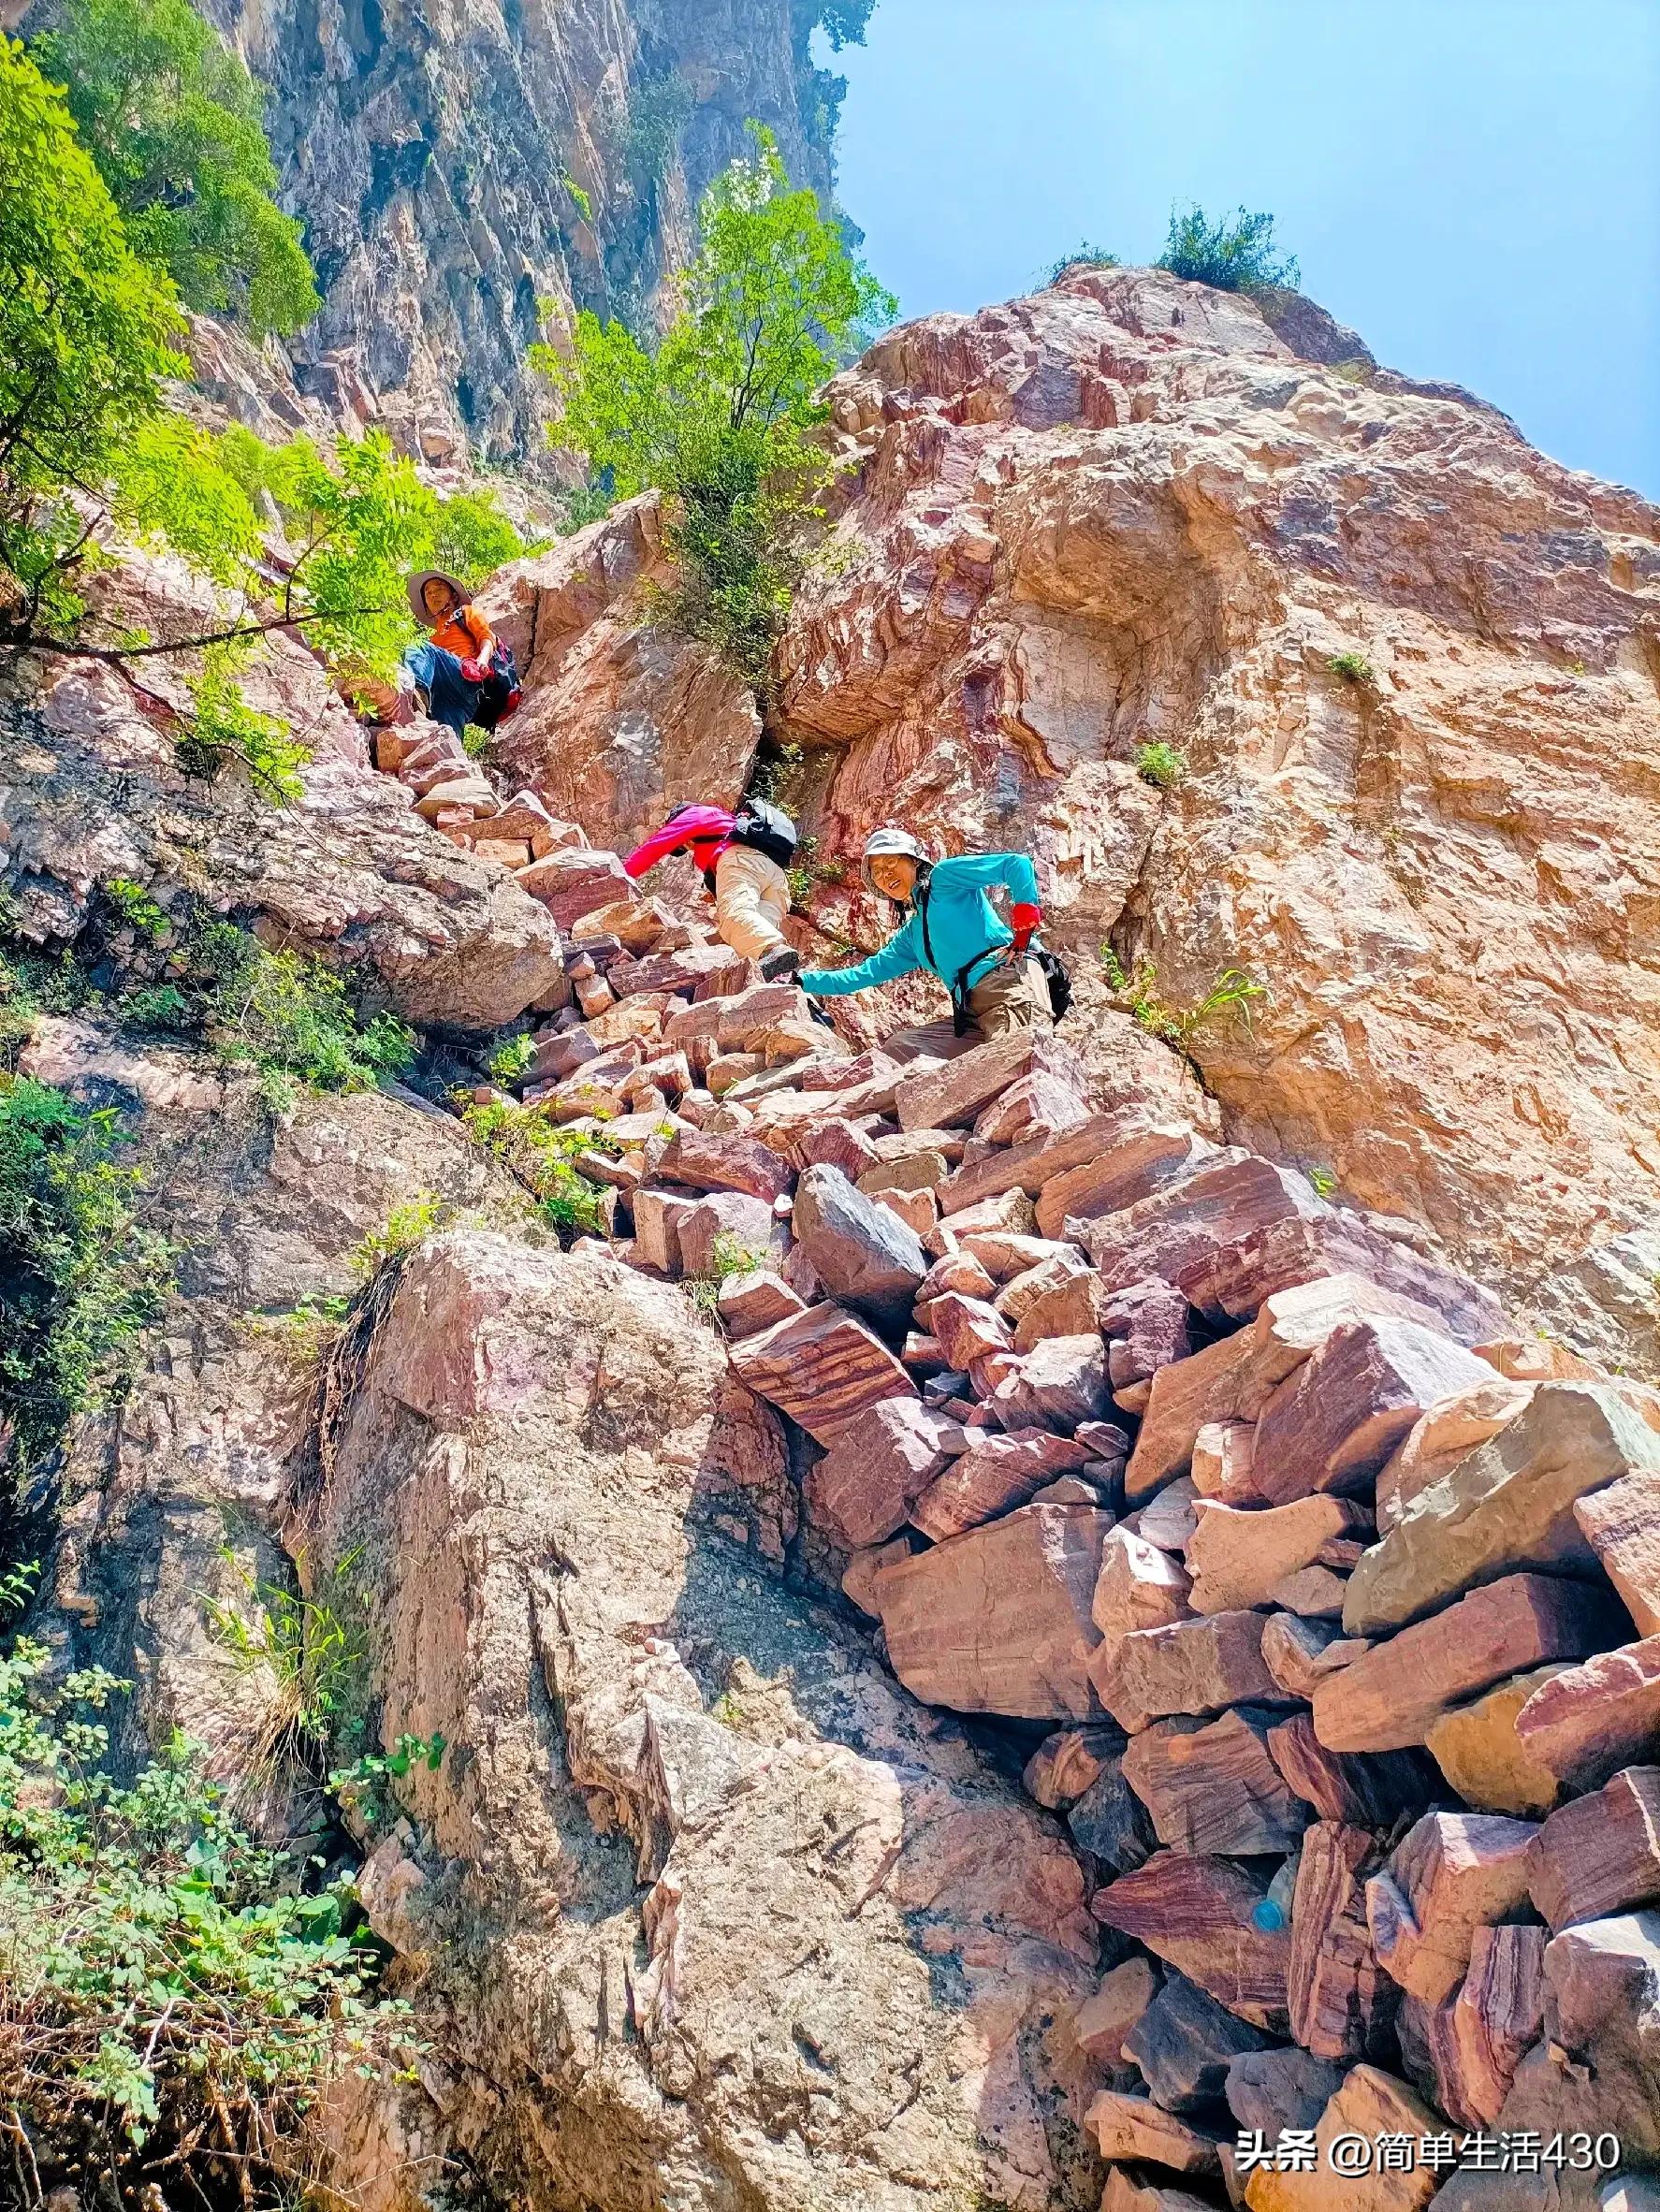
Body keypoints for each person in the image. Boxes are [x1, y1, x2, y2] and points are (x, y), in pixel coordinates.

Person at [798, 828, 1052, 1057]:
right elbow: (864, 974)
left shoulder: (944, 878)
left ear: (915, 860)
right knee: (900, 1048)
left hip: (1005, 984)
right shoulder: (913, 935)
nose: (886, 873)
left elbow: (1016, 864)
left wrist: (1023, 935)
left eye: (890, 861)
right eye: (877, 871)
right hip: (970, 1015)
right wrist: (802, 981)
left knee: (1015, 1058)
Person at [622, 798, 802, 980]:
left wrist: (619, 875)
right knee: (753, 939)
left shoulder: (695, 814)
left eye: (684, 845)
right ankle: (779, 979)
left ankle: (773, 953)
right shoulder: (728, 824)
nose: (688, 847)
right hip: (776, 876)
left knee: (736, 916)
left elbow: (656, 846)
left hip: (743, 861)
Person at [399, 569, 497, 737]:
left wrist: (482, 659)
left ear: (454, 596)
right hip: (447, 695)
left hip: (466, 678)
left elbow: (487, 637)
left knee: (419, 648)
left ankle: (415, 694)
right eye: (428, 593)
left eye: (439, 589)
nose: (433, 594)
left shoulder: (466, 612)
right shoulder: (433, 641)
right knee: (445, 735)